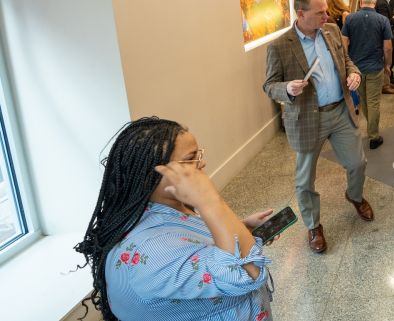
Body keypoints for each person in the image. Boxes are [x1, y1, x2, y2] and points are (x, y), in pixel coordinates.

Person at [76, 117, 275, 320]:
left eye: (199, 155)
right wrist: (209, 200)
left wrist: (240, 229)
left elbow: (190, 241)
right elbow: (249, 271)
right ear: (149, 175)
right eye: (189, 160)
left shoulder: (166, 207)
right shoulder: (149, 253)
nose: (201, 163)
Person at [263, 0, 373, 254]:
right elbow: (269, 86)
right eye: (319, 12)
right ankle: (313, 225)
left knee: (357, 162)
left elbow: (346, 62)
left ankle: (355, 196)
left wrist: (354, 74)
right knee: (304, 181)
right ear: (301, 14)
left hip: (340, 112)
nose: (327, 15)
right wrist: (287, 88)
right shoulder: (280, 46)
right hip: (307, 119)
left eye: (326, 11)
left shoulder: (332, 31)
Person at [342, 0, 394, 150]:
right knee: (373, 102)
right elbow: (388, 47)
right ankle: (373, 135)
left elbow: (343, 42)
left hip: (356, 68)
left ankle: (370, 130)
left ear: (360, 1)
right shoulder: (382, 20)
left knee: (364, 101)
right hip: (375, 66)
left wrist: (347, 64)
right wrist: (388, 64)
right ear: (374, 1)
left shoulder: (350, 19)